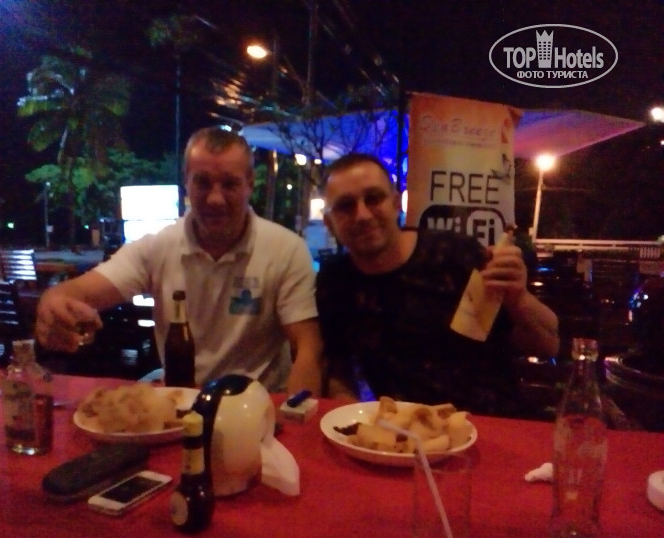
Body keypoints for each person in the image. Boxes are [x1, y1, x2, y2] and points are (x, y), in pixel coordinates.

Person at [35, 127, 322, 395]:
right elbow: (75, 292)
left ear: (250, 183)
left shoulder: (286, 249)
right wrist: (53, 303)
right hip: (180, 400)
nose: (215, 199)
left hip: (258, 405)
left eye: (230, 184)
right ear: (186, 183)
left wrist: (295, 415)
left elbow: (308, 347)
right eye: (202, 183)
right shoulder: (157, 247)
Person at [317, 153, 559, 416]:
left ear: (396, 204)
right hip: (405, 430)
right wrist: (348, 416)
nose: (362, 215)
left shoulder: (456, 254)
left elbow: (547, 346)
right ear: (329, 223)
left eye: (373, 198)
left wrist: (518, 298)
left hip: (489, 423)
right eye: (345, 206)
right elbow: (339, 369)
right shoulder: (335, 281)